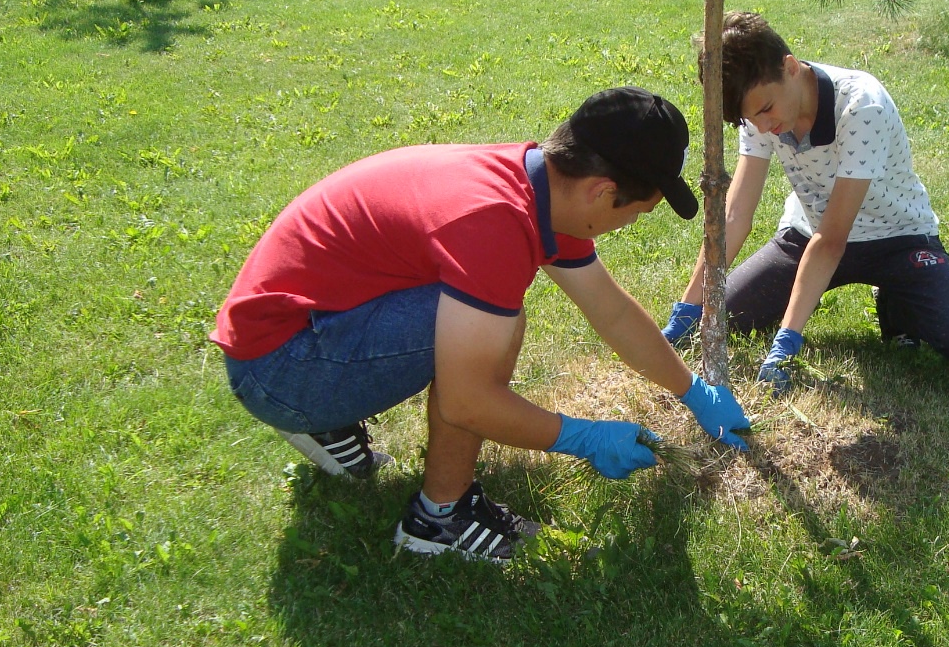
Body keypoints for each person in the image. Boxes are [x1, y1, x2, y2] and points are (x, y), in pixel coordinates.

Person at [212, 87, 750, 564]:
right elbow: (467, 401)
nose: (630, 223)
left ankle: (329, 415)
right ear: (600, 191)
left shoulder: (534, 182)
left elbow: (609, 311)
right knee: (497, 325)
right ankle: (438, 521)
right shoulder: (493, 224)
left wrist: (693, 391)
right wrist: (582, 437)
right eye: (638, 210)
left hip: (298, 329)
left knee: (482, 318)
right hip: (280, 366)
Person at [660, 12, 949, 390]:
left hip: (897, 239)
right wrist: (691, 307)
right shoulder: (759, 113)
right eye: (750, 118)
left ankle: (894, 295)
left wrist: (786, 342)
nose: (763, 126)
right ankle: (808, 289)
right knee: (724, 317)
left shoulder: (863, 106)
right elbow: (735, 216)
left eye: (765, 109)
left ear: (790, 67)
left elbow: (833, 239)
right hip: (807, 236)